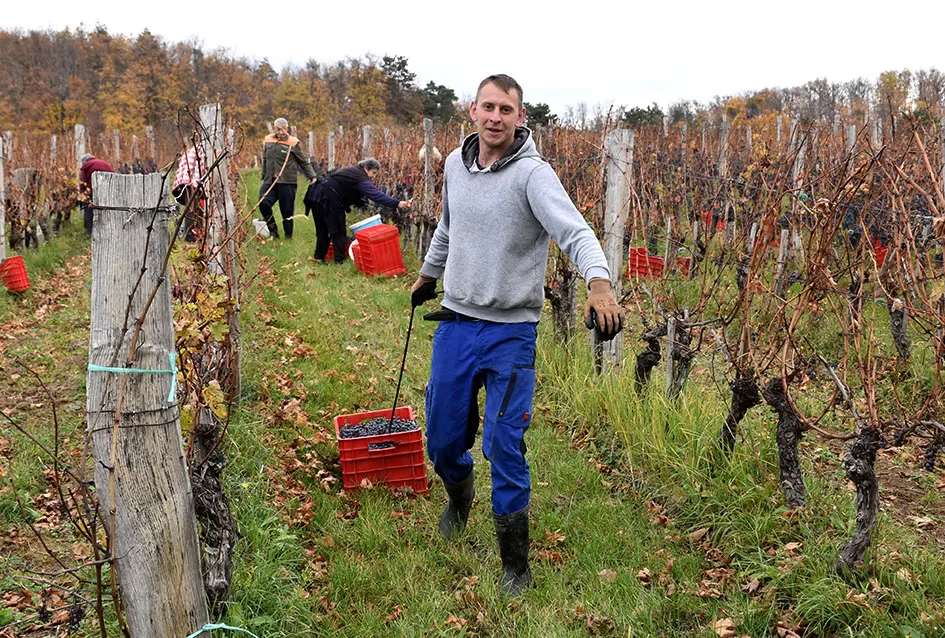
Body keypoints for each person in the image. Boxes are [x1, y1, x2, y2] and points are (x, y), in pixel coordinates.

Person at [410, 74, 624, 597]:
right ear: (472, 110)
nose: (496, 117)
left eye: (507, 109)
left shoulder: (534, 175)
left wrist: (599, 283)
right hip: (458, 324)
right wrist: (428, 274)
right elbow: (446, 225)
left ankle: (515, 563)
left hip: (511, 334)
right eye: (488, 107)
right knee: (441, 438)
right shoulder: (454, 167)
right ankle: (458, 496)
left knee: (504, 445)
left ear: (519, 117)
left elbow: (574, 231)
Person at [303, 158, 411, 263]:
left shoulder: (351, 170)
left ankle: (319, 257)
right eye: (373, 173)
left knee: (322, 229)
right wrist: (397, 203)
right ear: (365, 168)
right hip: (328, 198)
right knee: (338, 230)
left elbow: (340, 184)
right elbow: (376, 195)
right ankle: (339, 260)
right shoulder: (361, 176)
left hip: (315, 194)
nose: (373, 177)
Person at [259, 118, 317, 239]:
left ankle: (288, 237)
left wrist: (313, 177)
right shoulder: (268, 139)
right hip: (270, 181)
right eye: (278, 129)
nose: (280, 132)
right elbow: (265, 159)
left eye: (283, 130)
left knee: (286, 210)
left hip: (287, 182)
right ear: (274, 129)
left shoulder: (293, 142)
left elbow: (304, 162)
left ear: (287, 129)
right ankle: (273, 232)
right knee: (263, 203)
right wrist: (264, 174)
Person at [172, 145, 205, 242]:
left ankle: (195, 233)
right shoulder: (202, 151)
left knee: (196, 209)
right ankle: (189, 234)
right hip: (191, 181)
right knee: (192, 208)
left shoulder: (196, 149)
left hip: (186, 181)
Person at [78, 153, 115, 236]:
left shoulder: (86, 166)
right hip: (109, 188)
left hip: (93, 189)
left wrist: (82, 193)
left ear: (84, 161)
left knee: (88, 207)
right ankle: (107, 229)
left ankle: (88, 231)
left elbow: (82, 181)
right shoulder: (104, 163)